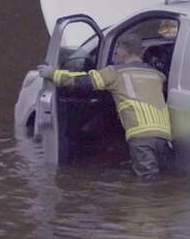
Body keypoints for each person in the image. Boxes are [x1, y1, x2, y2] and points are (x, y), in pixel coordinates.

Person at [40, 34, 172, 178]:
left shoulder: (115, 73)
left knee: (148, 185)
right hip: (164, 137)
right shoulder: (157, 75)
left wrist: (53, 74)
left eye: (117, 52)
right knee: (161, 179)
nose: (116, 55)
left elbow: (82, 81)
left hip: (141, 137)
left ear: (123, 52)